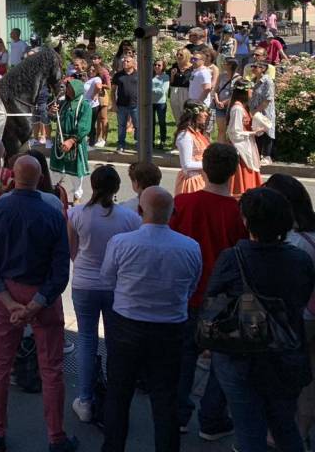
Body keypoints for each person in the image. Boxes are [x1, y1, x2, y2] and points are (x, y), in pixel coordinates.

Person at [0, 155, 76, 452]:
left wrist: (9, 303)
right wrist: (35, 304)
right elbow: (61, 270)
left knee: (0, 364)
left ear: (13, 177)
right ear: (38, 179)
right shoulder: (53, 214)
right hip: (43, 296)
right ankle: (56, 436)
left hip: (6, 293)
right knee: (52, 369)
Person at [207, 188, 315, 452]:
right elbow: (301, 297)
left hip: (240, 352)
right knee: (284, 426)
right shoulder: (300, 259)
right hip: (285, 351)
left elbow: (214, 299)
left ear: (246, 221)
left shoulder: (233, 258)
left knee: (249, 430)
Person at [99, 186, 202, 452]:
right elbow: (191, 287)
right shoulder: (190, 247)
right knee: (166, 397)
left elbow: (108, 279)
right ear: (172, 213)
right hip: (170, 328)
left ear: (140, 210)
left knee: (119, 394)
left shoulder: (121, 243)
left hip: (126, 326)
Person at [168, 143, 243, 439]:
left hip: (187, 293)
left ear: (206, 168)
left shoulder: (183, 203)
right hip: (224, 299)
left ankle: (179, 415)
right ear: (234, 172)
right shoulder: (239, 212)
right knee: (223, 361)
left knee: (184, 357)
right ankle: (212, 419)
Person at [66, 165, 141, 423]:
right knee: (114, 341)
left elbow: (71, 250)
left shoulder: (76, 214)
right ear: (117, 188)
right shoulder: (129, 218)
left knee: (86, 340)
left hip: (84, 284)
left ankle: (85, 400)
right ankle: (115, 398)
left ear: (93, 186)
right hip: (115, 286)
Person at [267, 174, 315, 442]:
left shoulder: (292, 242)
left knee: (284, 377)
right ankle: (303, 432)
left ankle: (279, 434)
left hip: (299, 316)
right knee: (310, 379)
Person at [49, 77, 92, 200]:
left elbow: (85, 126)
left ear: (76, 90)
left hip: (75, 145)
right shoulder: (63, 103)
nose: (66, 90)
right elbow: (53, 119)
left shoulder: (84, 105)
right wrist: (52, 112)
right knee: (56, 172)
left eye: (69, 88)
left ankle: (77, 197)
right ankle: (55, 195)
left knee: (76, 175)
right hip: (59, 143)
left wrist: (72, 140)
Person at [226, 78, 262, 196]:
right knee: (243, 173)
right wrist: (252, 133)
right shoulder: (237, 109)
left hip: (246, 145)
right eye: (250, 89)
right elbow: (234, 132)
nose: (252, 91)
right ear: (244, 92)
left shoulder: (242, 107)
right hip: (240, 149)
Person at [173, 102, 211, 195]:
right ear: (194, 114)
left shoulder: (199, 133)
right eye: (202, 112)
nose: (206, 114)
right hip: (193, 182)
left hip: (203, 178)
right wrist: (210, 164)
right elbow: (186, 165)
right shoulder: (185, 135)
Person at [249, 61, 276, 164]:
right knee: (257, 132)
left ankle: (267, 156)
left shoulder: (267, 81)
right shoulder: (253, 80)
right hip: (255, 111)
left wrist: (256, 111)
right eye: (252, 66)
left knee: (267, 132)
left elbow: (268, 99)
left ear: (263, 69)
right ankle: (258, 155)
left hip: (265, 111)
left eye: (255, 66)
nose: (253, 68)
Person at [112, 55, 139, 154]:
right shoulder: (118, 75)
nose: (125, 63)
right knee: (121, 126)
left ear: (133, 63)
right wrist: (114, 104)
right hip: (121, 105)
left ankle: (139, 145)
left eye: (127, 61)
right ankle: (121, 145)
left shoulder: (138, 75)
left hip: (135, 105)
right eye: (124, 61)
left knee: (137, 126)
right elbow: (113, 90)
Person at [213, 58, 238, 142]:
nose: (223, 65)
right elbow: (215, 90)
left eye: (225, 63)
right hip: (219, 106)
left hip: (231, 107)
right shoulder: (221, 75)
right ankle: (220, 149)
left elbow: (236, 94)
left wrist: (225, 102)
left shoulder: (238, 78)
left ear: (230, 65)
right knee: (221, 130)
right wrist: (217, 101)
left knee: (232, 131)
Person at [152, 59, 170, 147]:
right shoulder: (150, 76)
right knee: (151, 122)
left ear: (163, 67)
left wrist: (151, 89)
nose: (156, 66)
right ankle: (151, 141)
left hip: (161, 103)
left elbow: (163, 91)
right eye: (155, 64)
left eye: (159, 65)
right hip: (150, 103)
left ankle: (162, 141)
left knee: (161, 122)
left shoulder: (165, 77)